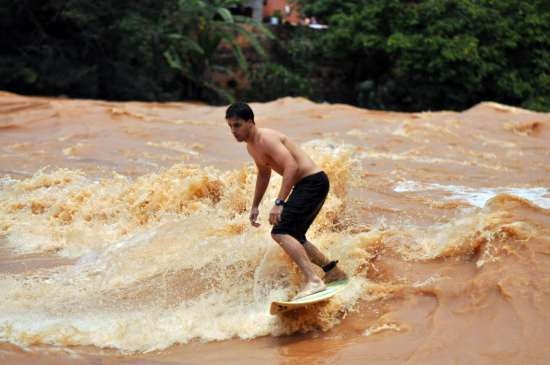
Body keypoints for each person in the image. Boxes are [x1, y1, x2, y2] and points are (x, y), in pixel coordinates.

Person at [225, 102, 347, 299]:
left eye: (237, 125)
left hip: (312, 182)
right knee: (295, 236)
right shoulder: (252, 147)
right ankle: (332, 271)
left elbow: (291, 167)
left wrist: (279, 203)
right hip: (307, 185)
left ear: (250, 122)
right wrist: (255, 205)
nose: (233, 131)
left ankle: (314, 281)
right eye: (230, 126)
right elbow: (264, 174)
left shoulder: (266, 139)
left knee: (281, 232)